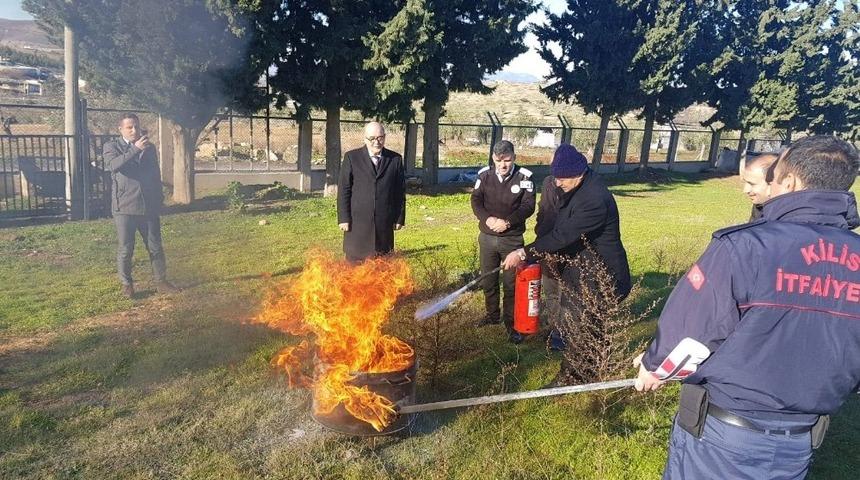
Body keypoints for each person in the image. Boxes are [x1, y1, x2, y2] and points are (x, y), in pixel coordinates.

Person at [633, 135, 860, 480]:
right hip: (800, 440)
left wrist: (655, 368)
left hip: (724, 438)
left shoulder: (743, 247)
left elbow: (692, 328)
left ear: (790, 182)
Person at [503, 144, 631, 380]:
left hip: (603, 273)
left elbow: (563, 234)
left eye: (562, 178)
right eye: (556, 176)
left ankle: (572, 377)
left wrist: (524, 253)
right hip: (582, 266)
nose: (557, 183)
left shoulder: (594, 199)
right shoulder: (576, 187)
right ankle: (592, 370)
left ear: (579, 173)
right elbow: (554, 223)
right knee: (586, 324)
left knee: (580, 325)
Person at [103, 113, 178, 298]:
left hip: (148, 206)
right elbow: (113, 165)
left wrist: (159, 199)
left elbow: (154, 173)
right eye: (130, 127)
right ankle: (127, 285)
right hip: (125, 207)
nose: (134, 130)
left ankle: (161, 281)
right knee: (126, 248)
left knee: (155, 246)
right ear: (120, 129)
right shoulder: (112, 147)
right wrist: (135, 149)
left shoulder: (149, 148)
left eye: (136, 126)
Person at [471, 140, 536, 343]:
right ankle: (492, 315)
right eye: (499, 161)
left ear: (514, 158)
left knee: (511, 285)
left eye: (507, 160)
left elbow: (528, 206)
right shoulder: (485, 176)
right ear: (493, 159)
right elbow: (476, 200)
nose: (503, 165)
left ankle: (511, 323)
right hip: (488, 237)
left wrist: (507, 222)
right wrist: (488, 219)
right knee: (488, 281)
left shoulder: (525, 177)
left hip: (512, 240)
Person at [337, 122, 406, 262]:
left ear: (385, 137)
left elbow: (399, 191)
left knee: (382, 267)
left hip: (384, 223)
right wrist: (343, 218)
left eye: (380, 137)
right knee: (355, 270)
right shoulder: (351, 158)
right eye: (372, 138)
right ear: (364, 139)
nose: (376, 142)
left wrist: (399, 218)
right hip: (357, 224)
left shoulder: (395, 159)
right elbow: (344, 189)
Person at [534, 173, 565, 351]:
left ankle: (565, 333)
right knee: (551, 291)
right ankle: (556, 330)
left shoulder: (577, 190)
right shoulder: (547, 181)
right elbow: (543, 210)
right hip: (546, 245)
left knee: (565, 292)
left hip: (565, 245)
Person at [740, 153, 778, 221]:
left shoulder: (789, 217)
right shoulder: (759, 205)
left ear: (772, 184)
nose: (745, 190)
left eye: (752, 184)